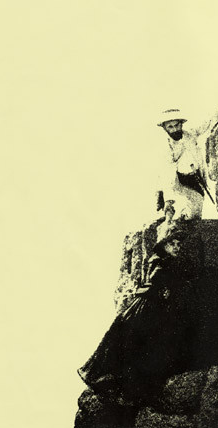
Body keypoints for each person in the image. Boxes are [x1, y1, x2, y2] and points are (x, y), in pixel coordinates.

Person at [77, 223, 201, 405]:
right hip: (145, 307)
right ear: (164, 245)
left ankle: (137, 391)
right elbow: (154, 281)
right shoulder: (159, 261)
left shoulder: (169, 262)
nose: (177, 247)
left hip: (155, 308)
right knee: (133, 344)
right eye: (172, 243)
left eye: (178, 244)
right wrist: (163, 289)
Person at [155, 108, 209, 221]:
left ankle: (182, 218)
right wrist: (168, 201)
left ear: (181, 124)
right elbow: (168, 176)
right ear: (165, 128)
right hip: (179, 182)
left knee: (196, 214)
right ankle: (171, 221)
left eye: (177, 125)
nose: (175, 129)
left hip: (196, 180)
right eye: (170, 127)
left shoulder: (190, 135)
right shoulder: (167, 149)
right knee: (187, 213)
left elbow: (208, 121)